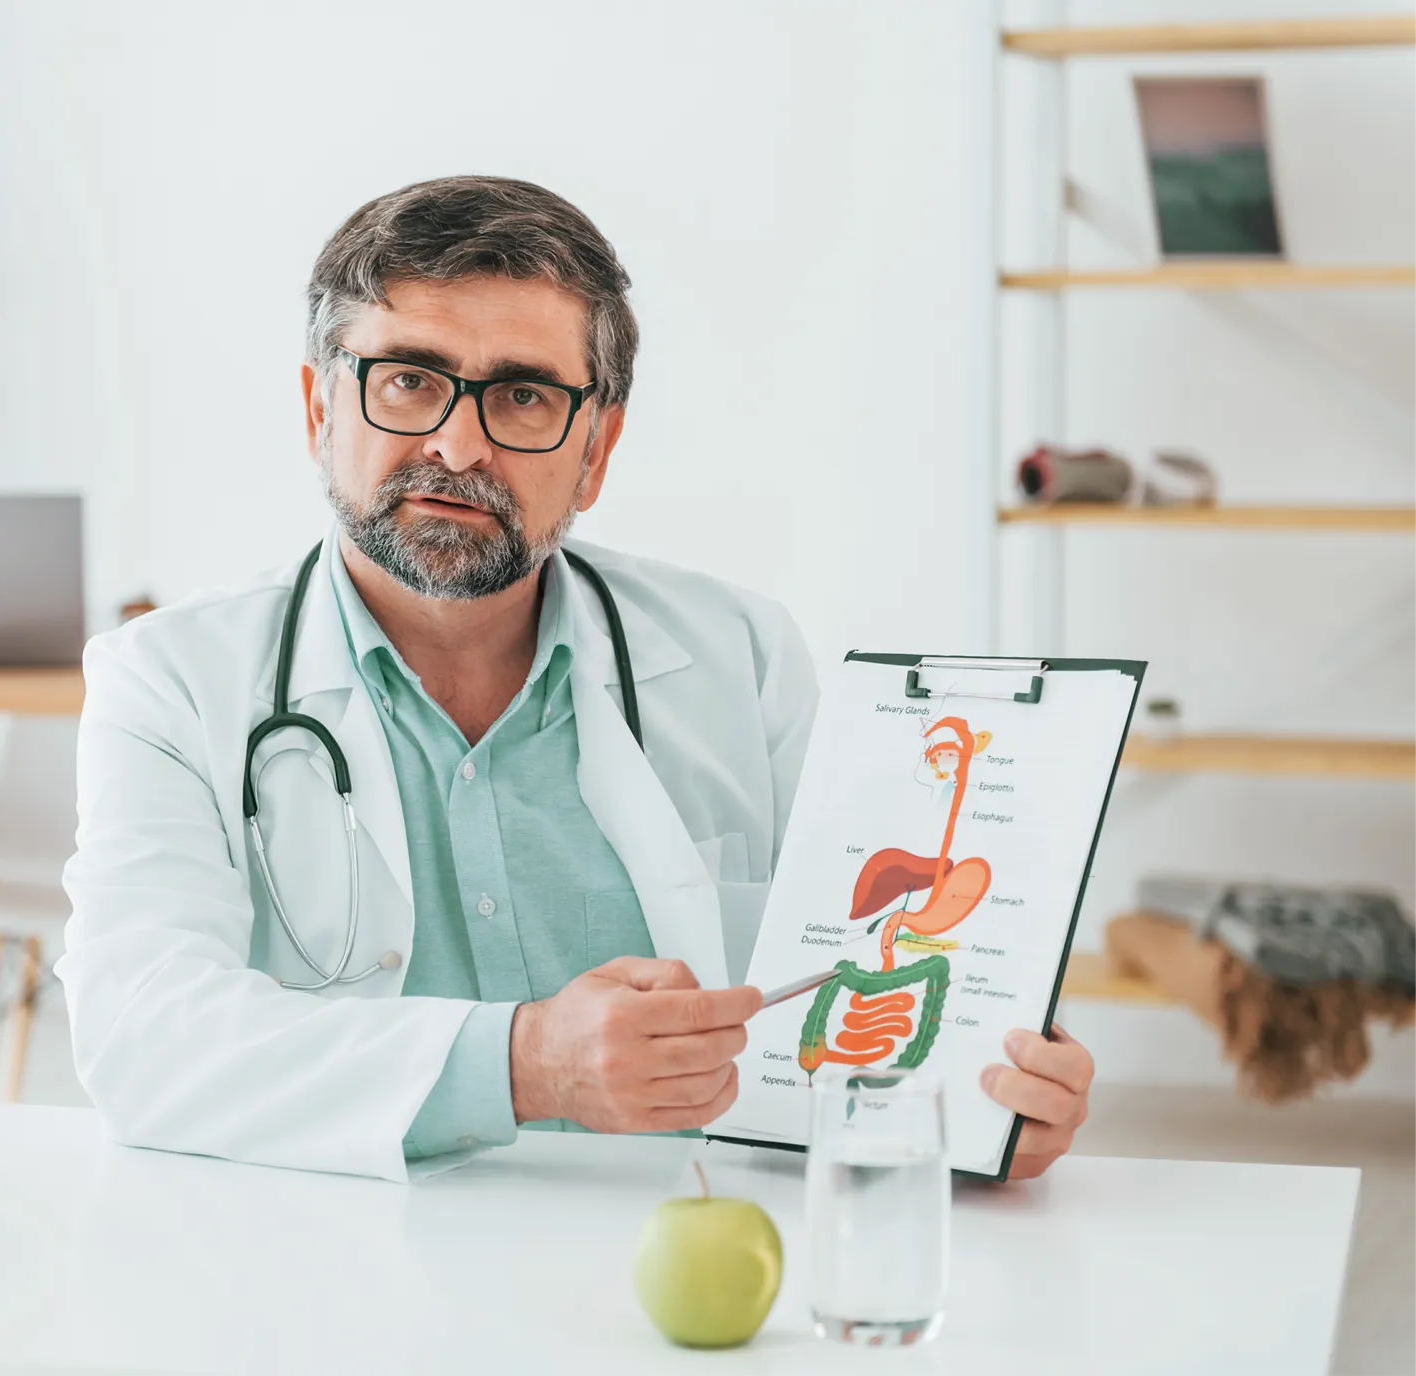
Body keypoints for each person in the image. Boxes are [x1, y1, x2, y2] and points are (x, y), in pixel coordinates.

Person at [57, 176, 1093, 1183]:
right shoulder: (170, 680)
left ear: (595, 448)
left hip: (671, 1257)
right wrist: (525, 1061)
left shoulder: (739, 653)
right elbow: (141, 1032)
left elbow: (844, 985)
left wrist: (975, 1102)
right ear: (320, 407)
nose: (457, 444)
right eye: (408, 378)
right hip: (337, 1261)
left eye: (522, 394)